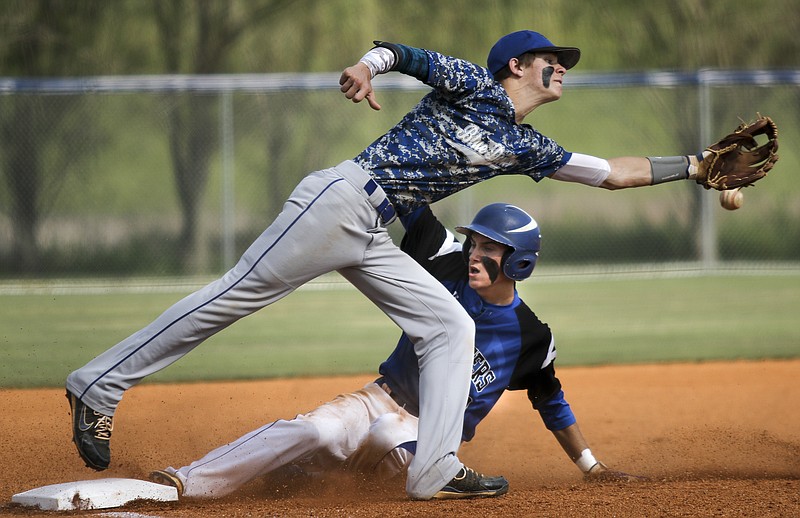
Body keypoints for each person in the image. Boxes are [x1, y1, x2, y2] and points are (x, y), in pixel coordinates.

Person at [67, 29, 713, 500]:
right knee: (234, 296)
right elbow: (402, 53)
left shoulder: (526, 144)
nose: (562, 68)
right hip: (342, 200)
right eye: (553, 60)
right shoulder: (474, 84)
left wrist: (694, 166)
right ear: (517, 65)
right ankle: (99, 385)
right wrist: (365, 67)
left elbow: (611, 175)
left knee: (450, 328)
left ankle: (434, 465)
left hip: (372, 232)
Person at [147, 203, 643, 500]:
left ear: (521, 262)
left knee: (388, 444)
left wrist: (590, 467)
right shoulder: (447, 266)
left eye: (491, 249)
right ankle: (187, 481)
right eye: (474, 242)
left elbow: (551, 401)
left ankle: (315, 475)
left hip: (429, 433)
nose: (475, 253)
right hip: (379, 396)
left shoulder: (530, 335)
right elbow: (414, 205)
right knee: (312, 428)